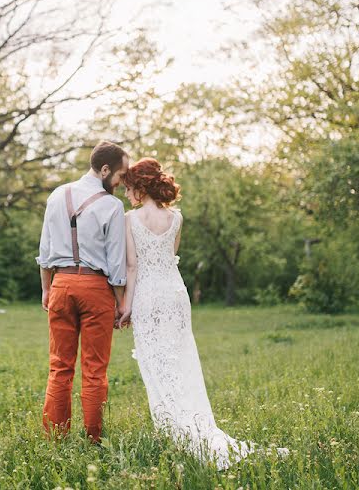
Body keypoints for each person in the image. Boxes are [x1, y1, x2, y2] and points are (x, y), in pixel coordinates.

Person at [118, 157, 290, 469]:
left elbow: (132, 266)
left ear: (141, 187)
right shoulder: (176, 218)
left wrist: (125, 304)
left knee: (156, 363)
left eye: (129, 189)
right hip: (175, 294)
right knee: (181, 361)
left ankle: (175, 432)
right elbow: (170, 258)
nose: (126, 195)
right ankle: (188, 424)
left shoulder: (130, 220)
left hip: (147, 296)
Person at [36, 140, 129, 444]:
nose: (121, 181)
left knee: (59, 366)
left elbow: (45, 251)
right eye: (119, 175)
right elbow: (116, 262)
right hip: (96, 288)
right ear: (105, 169)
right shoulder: (112, 206)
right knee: (94, 369)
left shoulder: (57, 195)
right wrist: (120, 303)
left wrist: (47, 289)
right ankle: (93, 438)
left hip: (61, 284)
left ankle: (55, 438)